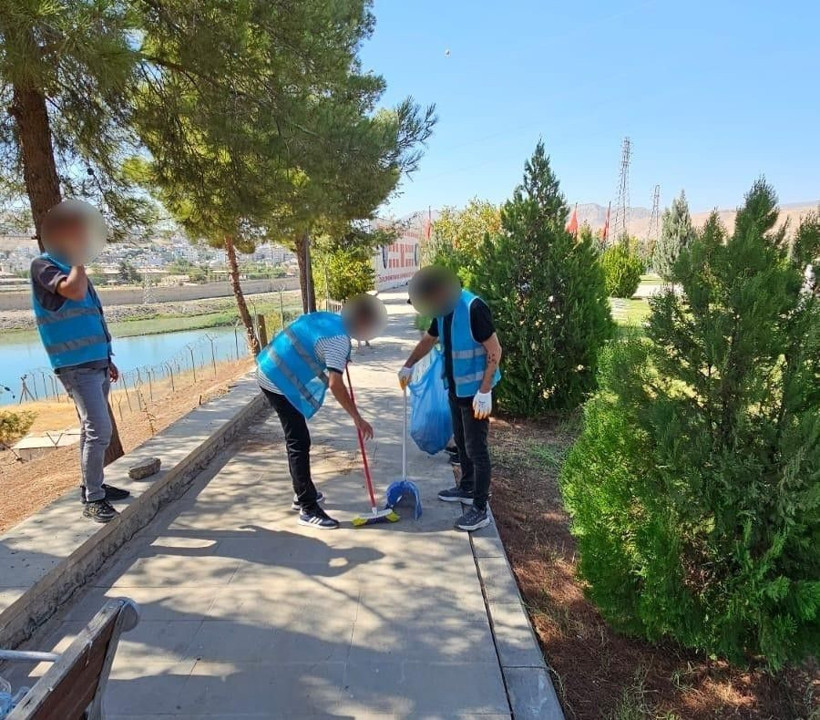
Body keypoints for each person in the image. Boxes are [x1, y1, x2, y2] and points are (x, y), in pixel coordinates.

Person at [31, 201, 129, 524]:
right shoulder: (45, 266)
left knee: (91, 431)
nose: (83, 238)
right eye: (76, 232)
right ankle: (93, 499)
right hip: (74, 366)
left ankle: (92, 485)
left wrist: (107, 359)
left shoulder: (72, 268)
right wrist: (77, 259)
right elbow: (72, 293)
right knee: (99, 428)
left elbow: (92, 316)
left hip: (96, 363)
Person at [257, 296, 385, 529]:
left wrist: (338, 358)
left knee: (298, 438)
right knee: (298, 440)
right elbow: (337, 385)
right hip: (276, 380)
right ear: (362, 321)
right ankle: (307, 507)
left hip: (270, 365)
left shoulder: (332, 320)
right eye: (371, 324)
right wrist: (358, 418)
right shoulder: (339, 340)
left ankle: (303, 491)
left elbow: (316, 344)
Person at [400, 268, 502, 532]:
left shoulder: (473, 308)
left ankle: (480, 508)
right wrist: (408, 365)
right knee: (462, 442)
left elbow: (495, 349)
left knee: (477, 448)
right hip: (456, 388)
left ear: (442, 289)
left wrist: (485, 390)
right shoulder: (442, 310)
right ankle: (467, 487)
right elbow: (429, 339)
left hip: (477, 391)